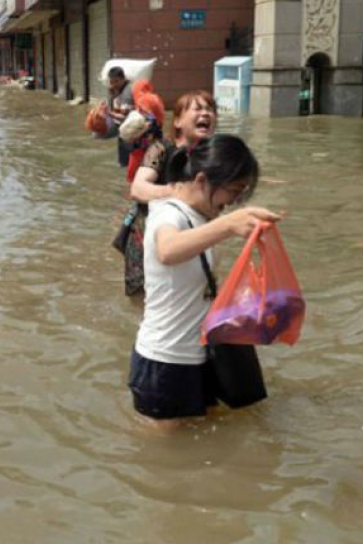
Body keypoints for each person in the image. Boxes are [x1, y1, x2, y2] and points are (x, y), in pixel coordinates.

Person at [127, 134, 281, 428]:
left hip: (199, 357)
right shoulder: (168, 214)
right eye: (233, 190)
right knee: (163, 462)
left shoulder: (199, 216)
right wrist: (230, 225)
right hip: (165, 361)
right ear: (201, 180)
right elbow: (168, 249)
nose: (234, 202)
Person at [121, 90, 218, 296]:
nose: (206, 114)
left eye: (210, 109)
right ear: (178, 122)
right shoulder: (162, 148)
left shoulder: (211, 157)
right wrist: (180, 192)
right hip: (149, 236)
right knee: (147, 299)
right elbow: (138, 188)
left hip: (189, 236)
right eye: (198, 109)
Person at [106, 67, 135, 167]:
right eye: (111, 81)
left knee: (127, 162)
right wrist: (113, 96)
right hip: (123, 130)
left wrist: (109, 113)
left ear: (123, 79)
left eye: (116, 81)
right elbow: (114, 109)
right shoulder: (116, 90)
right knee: (123, 162)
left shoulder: (128, 92)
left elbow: (125, 117)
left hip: (131, 130)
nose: (114, 84)